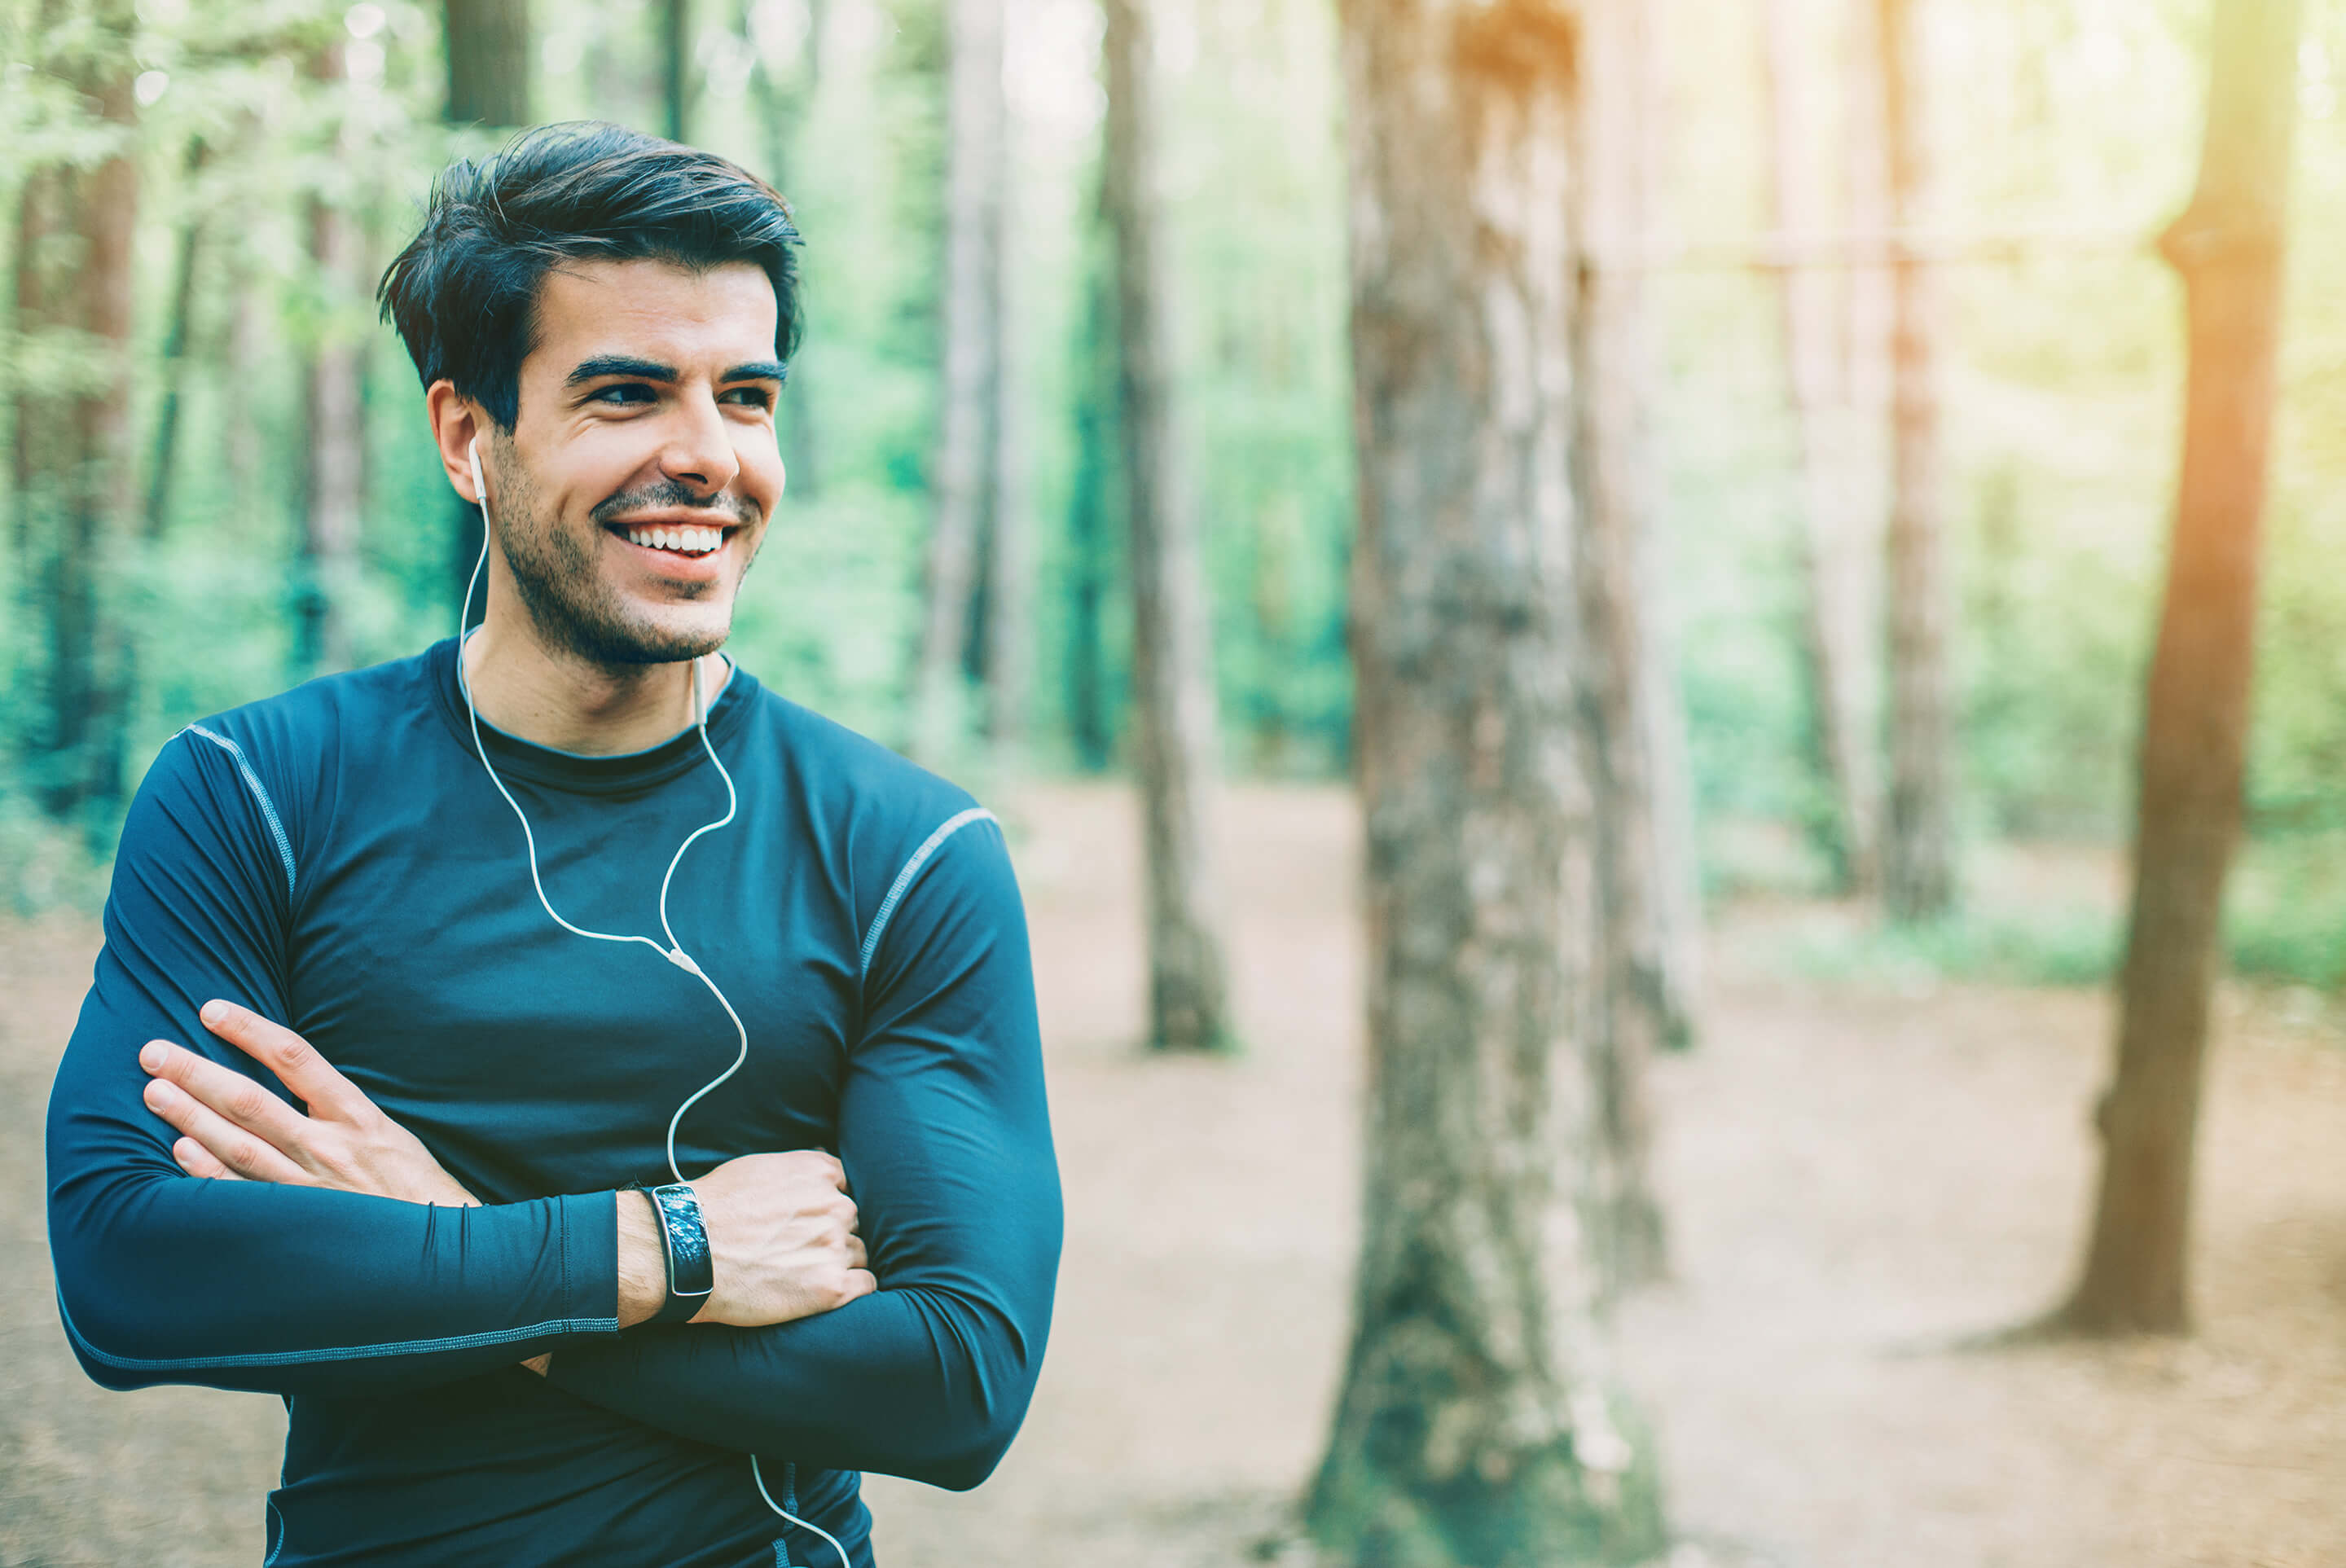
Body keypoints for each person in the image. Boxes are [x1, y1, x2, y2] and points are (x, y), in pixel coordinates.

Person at [44, 122, 1061, 1568]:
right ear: (471, 436)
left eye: (748, 396)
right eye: (628, 393)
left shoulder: (904, 851)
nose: (707, 455)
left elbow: (956, 1382)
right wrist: (662, 1251)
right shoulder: (257, 794)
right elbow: (128, 1273)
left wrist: (440, 1239)